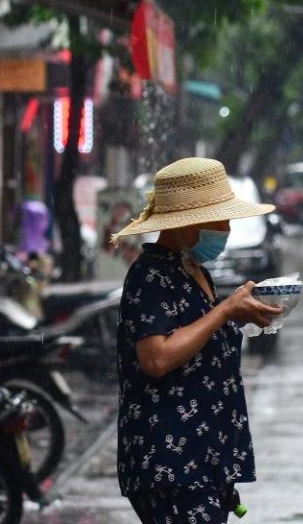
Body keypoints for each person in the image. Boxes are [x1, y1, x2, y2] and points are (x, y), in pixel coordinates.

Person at [110, 157, 283, 524]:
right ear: (189, 220)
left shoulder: (192, 270)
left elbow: (199, 342)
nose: (227, 228)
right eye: (220, 218)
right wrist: (223, 312)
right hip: (172, 464)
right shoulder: (151, 276)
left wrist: (243, 317)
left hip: (203, 460)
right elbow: (156, 358)